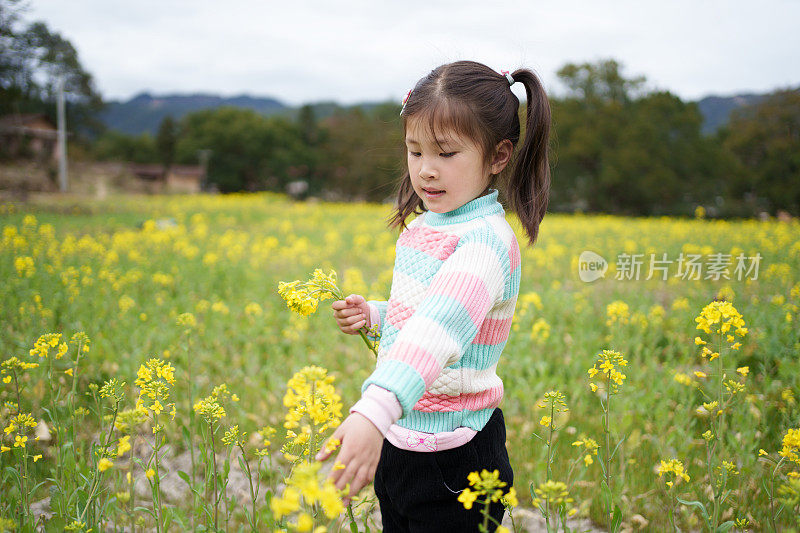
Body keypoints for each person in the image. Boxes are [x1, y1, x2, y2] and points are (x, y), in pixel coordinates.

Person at [317, 60, 551, 532]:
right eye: (415, 150)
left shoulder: (484, 240)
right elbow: (423, 311)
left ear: (498, 156)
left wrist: (373, 411)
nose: (426, 170)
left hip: (455, 459)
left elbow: (439, 329)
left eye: (446, 153)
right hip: (402, 441)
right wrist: (378, 315)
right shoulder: (428, 225)